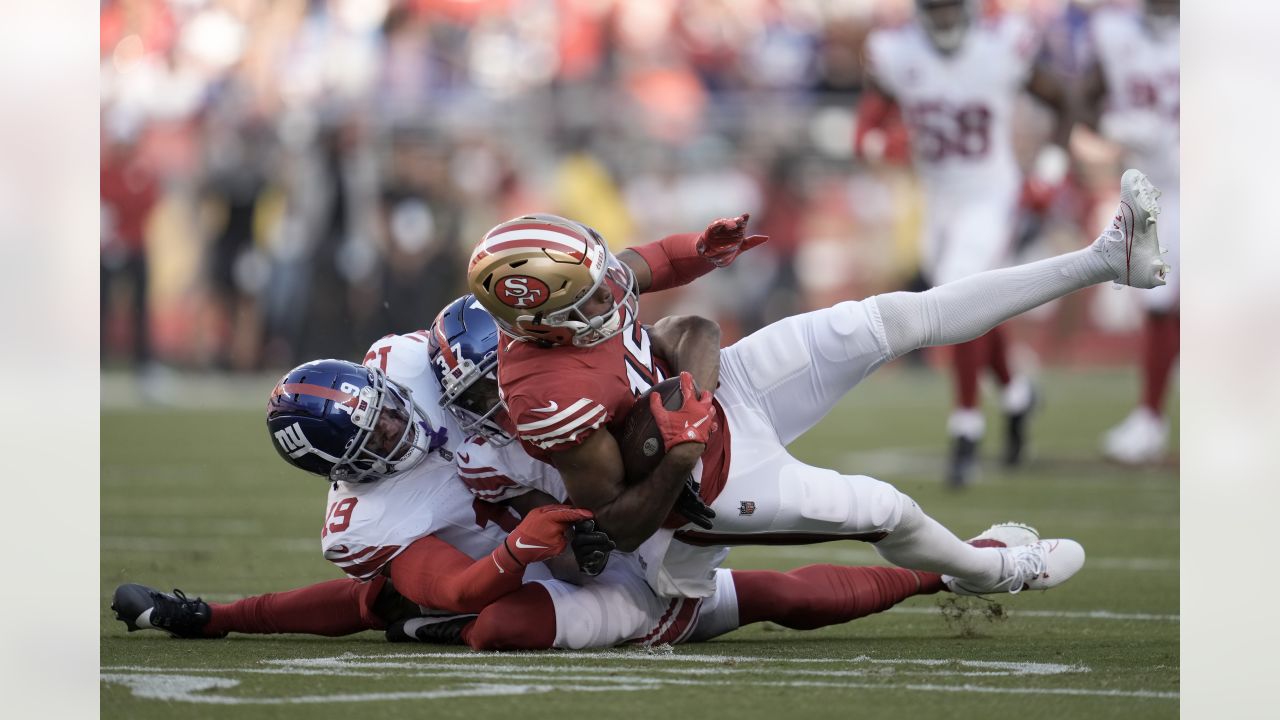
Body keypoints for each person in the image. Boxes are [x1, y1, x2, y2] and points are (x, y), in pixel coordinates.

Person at [112, 296, 985, 650]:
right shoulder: (369, 516)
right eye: (368, 439)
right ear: (341, 473)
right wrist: (521, 545)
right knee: (436, 610)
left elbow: (592, 291)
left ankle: (943, 562)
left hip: (609, 497)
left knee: (760, 543)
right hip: (570, 561)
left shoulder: (423, 363)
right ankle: (936, 566)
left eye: (382, 408)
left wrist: (681, 257)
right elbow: (432, 579)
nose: (393, 429)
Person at [466, 169, 1169, 603]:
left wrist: (696, 252)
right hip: (705, 483)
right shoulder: (546, 394)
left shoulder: (587, 295)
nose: (612, 296)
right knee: (887, 510)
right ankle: (994, 572)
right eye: (588, 301)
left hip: (719, 396)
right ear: (541, 320)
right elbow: (615, 520)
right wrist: (680, 455)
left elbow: (641, 268)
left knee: (893, 315)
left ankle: (1108, 257)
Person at [857, 0, 1076, 485]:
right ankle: (1017, 397)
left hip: (991, 195)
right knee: (969, 306)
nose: (944, 19)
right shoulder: (896, 51)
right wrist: (881, 144)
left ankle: (966, 427)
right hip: (937, 203)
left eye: (950, 8)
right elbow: (866, 130)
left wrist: (1050, 171)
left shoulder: (1001, 45)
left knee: (956, 300)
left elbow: (1063, 99)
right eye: (935, 9)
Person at [1079, 0, 1180, 465]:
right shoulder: (1114, 31)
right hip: (1161, 189)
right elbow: (1085, 98)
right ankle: (1150, 418)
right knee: (1160, 300)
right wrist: (1110, 124)